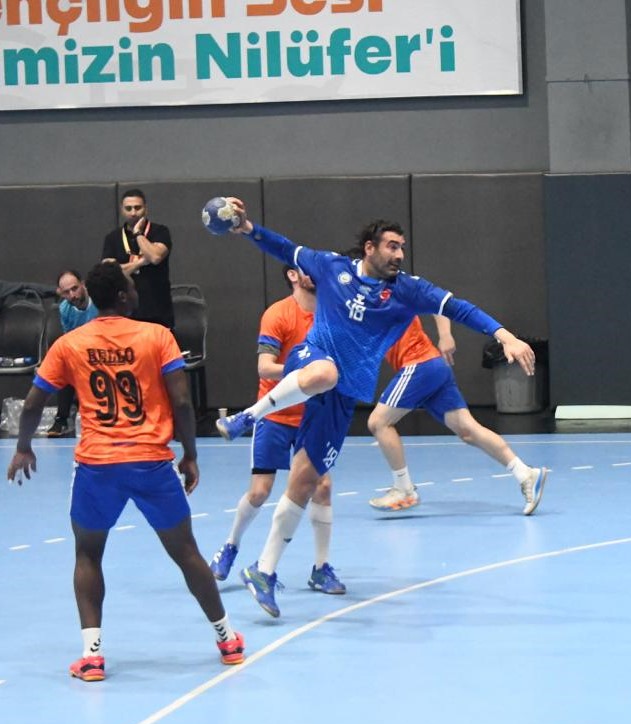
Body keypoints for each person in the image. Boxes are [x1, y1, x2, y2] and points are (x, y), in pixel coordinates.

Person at [211, 198, 545, 619]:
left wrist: (504, 335)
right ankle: (248, 416)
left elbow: (458, 308)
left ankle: (263, 570)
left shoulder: (406, 290)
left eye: (402, 247)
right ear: (369, 248)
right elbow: (283, 248)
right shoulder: (331, 268)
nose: (399, 254)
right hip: (313, 360)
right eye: (391, 246)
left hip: (343, 395)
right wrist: (246, 228)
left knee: (306, 481)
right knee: (324, 373)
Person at [5, 262, 244, 681]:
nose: (136, 290)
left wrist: (23, 446)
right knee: (186, 552)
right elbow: (182, 402)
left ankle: (92, 656)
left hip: (97, 466)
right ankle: (227, 640)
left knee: (87, 554)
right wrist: (190, 454)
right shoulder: (158, 336)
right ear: (121, 296)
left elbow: (32, 403)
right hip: (151, 462)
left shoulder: (70, 343)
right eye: (131, 286)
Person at [207, 265, 343, 595]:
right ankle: (230, 546)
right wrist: (305, 372)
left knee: (323, 487)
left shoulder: (330, 315)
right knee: (259, 492)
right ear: (293, 276)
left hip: (312, 417)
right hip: (276, 415)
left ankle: (321, 568)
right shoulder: (278, 314)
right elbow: (264, 367)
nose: (317, 274)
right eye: (308, 269)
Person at [368, 314, 547, 515]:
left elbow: (439, 304)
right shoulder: (359, 304)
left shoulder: (394, 294)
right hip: (434, 366)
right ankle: (525, 473)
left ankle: (404, 489)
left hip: (420, 364)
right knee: (468, 431)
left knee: (378, 422)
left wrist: (445, 335)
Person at [101, 188, 174, 328]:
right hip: (126, 312)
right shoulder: (112, 238)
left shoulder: (160, 231)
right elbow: (109, 273)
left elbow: (155, 257)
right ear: (122, 210)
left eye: (137, 208)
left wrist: (138, 234)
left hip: (158, 310)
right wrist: (140, 262)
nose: (133, 213)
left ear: (146, 209)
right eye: (128, 208)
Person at [46, 269, 100, 438]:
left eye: (75, 289)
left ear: (83, 285)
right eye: (66, 292)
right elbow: (70, 338)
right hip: (82, 352)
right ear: (61, 293)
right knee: (64, 368)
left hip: (104, 351)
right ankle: (61, 419)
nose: (72, 295)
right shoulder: (64, 309)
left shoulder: (99, 301)